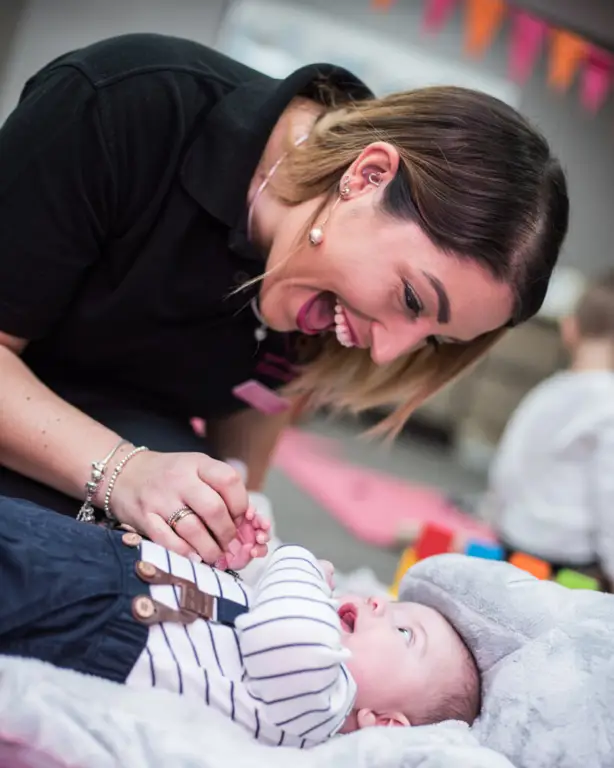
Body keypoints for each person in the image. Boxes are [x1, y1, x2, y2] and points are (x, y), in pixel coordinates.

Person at [0, 33, 569, 563]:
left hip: (133, 424)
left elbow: (262, 392)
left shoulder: (323, 281)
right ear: (368, 176)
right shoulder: (122, 104)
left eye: (435, 340)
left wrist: (248, 512)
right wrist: (124, 472)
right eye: (414, 301)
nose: (386, 353)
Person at [0, 497, 480, 747]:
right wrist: (237, 563)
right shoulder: (304, 651)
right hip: (103, 561)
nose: (379, 605)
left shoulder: (321, 708)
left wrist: (298, 564)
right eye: (392, 604)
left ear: (385, 725)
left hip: (95, 613)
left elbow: (286, 639)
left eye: (404, 633)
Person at [483, 272, 614, 587]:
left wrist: (496, 523)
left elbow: (506, 467)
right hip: (567, 568)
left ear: (570, 329)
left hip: (512, 546)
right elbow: (610, 500)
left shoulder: (546, 391)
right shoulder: (609, 404)